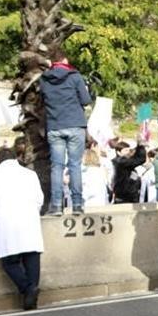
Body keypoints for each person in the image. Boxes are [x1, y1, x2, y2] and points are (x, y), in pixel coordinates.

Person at [0, 145, 46, 311]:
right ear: (15, 158)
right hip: (29, 222)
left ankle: (28, 290)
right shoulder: (30, 174)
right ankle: (31, 298)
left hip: (7, 224)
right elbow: (40, 198)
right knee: (32, 259)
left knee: (10, 263)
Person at [40, 48, 92, 215]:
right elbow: (85, 100)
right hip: (75, 124)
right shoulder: (74, 77)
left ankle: (56, 205)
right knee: (74, 165)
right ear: (64, 60)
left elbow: (43, 101)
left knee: (57, 166)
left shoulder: (44, 79)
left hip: (55, 126)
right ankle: (77, 204)